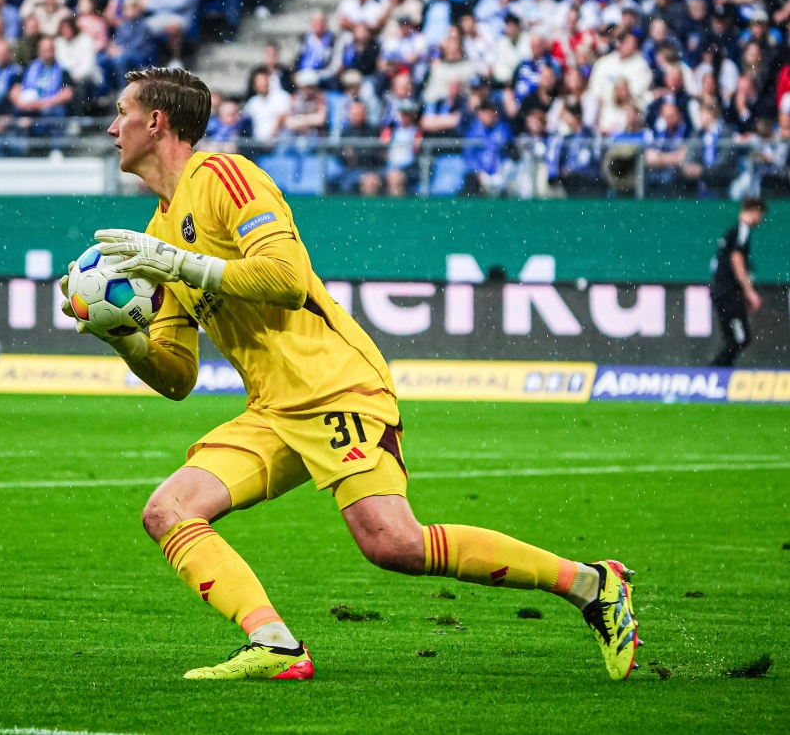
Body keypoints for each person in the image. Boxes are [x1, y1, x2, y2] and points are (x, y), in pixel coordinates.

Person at [58, 67, 640, 681]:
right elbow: (178, 375)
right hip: (273, 409)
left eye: (121, 111)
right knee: (168, 510)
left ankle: (593, 585)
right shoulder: (153, 236)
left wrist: (182, 263)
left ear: (156, 121)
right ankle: (275, 644)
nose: (110, 125)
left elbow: (285, 280)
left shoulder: (225, 177)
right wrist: (122, 337)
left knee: (393, 544)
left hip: (336, 385)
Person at [710, 197, 767, 366]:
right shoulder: (742, 230)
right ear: (755, 211)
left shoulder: (733, 231)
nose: (761, 220)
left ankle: (717, 373)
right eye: (761, 215)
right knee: (739, 339)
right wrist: (749, 291)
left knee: (734, 339)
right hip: (728, 293)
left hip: (725, 292)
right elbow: (736, 258)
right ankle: (714, 373)